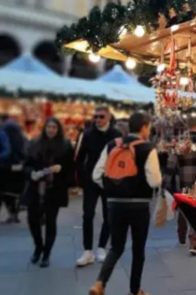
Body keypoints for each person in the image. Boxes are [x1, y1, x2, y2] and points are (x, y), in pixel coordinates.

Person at [89, 111, 162, 295]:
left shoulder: (112, 145)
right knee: (138, 249)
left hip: (115, 204)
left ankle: (99, 283)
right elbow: (155, 181)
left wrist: (113, 188)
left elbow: (96, 175)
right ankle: (134, 290)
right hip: (139, 205)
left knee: (116, 247)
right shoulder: (147, 148)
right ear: (144, 127)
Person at [23, 118, 74, 267]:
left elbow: (71, 169)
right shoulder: (34, 143)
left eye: (54, 127)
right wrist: (31, 173)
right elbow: (26, 165)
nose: (51, 130)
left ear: (58, 129)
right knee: (33, 220)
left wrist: (61, 170)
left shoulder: (65, 146)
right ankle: (38, 247)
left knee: (51, 221)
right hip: (36, 189)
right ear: (44, 128)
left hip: (54, 190)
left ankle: (46, 253)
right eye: (49, 127)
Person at [75, 106, 121, 267]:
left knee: (108, 214)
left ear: (108, 117)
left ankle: (101, 247)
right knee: (87, 214)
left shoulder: (116, 135)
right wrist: (81, 180)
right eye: (95, 117)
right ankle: (87, 251)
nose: (98, 120)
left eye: (101, 116)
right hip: (90, 180)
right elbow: (80, 158)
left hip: (109, 180)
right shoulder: (87, 134)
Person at [164, 115, 196, 255]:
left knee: (184, 208)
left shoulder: (180, 142)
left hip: (183, 178)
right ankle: (194, 242)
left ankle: (181, 237)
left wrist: (166, 181)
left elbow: (171, 163)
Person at [0, 114, 27, 223]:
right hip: (15, 165)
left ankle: (12, 214)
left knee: (3, 191)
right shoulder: (18, 130)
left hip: (4, 166)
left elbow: (7, 150)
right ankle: (13, 214)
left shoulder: (3, 130)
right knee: (10, 191)